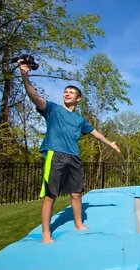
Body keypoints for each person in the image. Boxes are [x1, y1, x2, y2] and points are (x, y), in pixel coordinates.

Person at [19, 62, 121, 243]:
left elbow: (95, 133)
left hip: (73, 157)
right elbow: (33, 95)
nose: (67, 93)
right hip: (55, 154)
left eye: (71, 92)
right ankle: (46, 234)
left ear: (78, 98)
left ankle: (78, 224)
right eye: (65, 91)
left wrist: (110, 143)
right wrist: (25, 75)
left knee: (76, 193)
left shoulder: (80, 119)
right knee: (51, 196)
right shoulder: (52, 109)